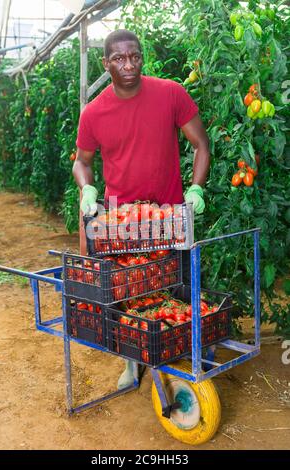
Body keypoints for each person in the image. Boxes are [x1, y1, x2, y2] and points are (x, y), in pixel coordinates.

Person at [73, 29, 210, 389]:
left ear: (141, 57)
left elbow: (201, 145)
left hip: (168, 217)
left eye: (134, 56)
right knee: (128, 291)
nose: (128, 64)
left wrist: (195, 188)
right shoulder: (95, 112)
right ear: (107, 63)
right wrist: (87, 188)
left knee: (176, 285)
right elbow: (81, 161)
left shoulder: (170, 93)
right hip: (122, 223)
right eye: (119, 59)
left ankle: (176, 351)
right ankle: (131, 363)